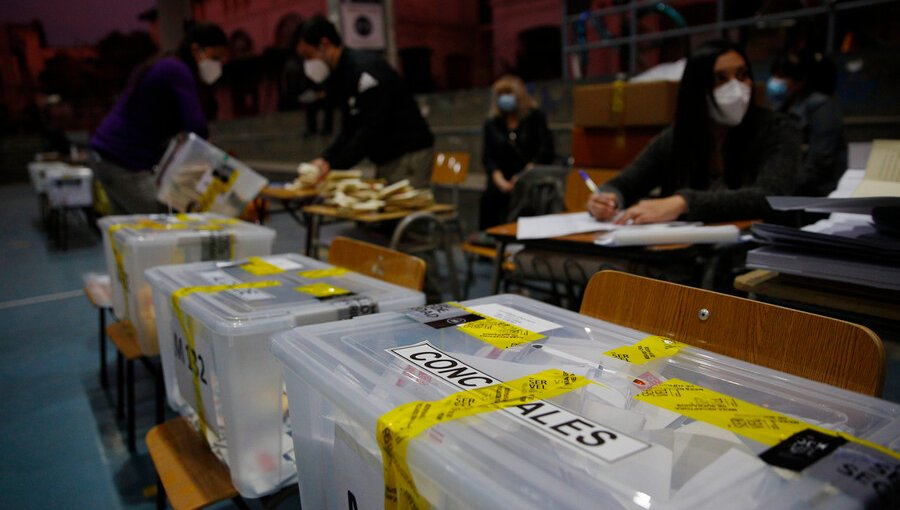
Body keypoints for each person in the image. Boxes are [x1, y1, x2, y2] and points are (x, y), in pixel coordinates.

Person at [588, 39, 801, 225]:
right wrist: (607, 199)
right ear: (697, 88)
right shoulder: (677, 137)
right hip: (685, 252)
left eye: (742, 75)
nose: (737, 88)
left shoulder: (778, 129)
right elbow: (626, 182)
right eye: (720, 78)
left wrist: (683, 203)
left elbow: (771, 196)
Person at [89, 23, 228, 214]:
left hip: (108, 155)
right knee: (159, 225)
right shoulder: (177, 70)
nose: (218, 64)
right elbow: (197, 128)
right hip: (122, 159)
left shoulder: (166, 64)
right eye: (215, 57)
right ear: (196, 49)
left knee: (132, 230)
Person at [294, 15, 434, 187]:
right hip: (386, 156)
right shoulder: (341, 75)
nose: (308, 65)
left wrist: (334, 164)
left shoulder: (364, 70)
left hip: (407, 154)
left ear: (324, 44)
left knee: (404, 209)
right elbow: (349, 127)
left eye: (309, 56)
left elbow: (372, 126)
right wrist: (326, 160)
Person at [479, 74, 556, 229]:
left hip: (530, 178)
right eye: (501, 94)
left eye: (509, 93)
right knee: (490, 201)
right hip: (501, 181)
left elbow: (545, 150)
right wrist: (500, 181)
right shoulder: (492, 123)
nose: (504, 98)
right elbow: (488, 157)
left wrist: (523, 176)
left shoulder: (535, 118)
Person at [768, 51, 847, 196]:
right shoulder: (783, 106)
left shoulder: (821, 106)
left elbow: (820, 161)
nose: (775, 82)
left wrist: (782, 188)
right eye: (775, 75)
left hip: (814, 194)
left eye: (782, 77)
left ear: (800, 80)